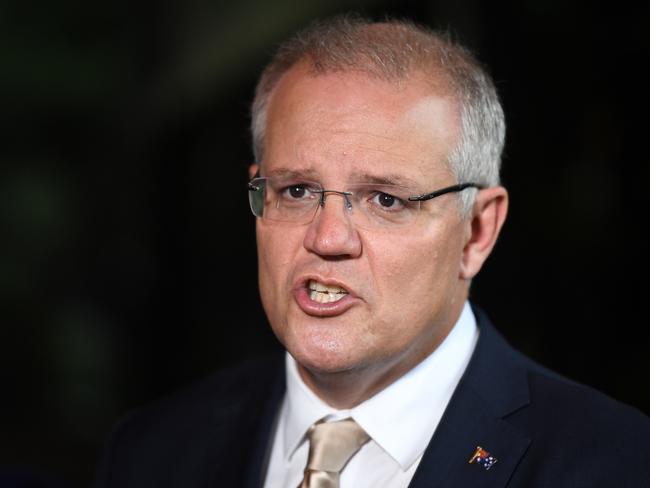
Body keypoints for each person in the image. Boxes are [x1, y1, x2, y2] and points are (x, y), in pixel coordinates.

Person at [93, 15, 650, 487]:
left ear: (477, 231)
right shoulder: (151, 452)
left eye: (385, 199)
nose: (328, 237)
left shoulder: (616, 462)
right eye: (296, 191)